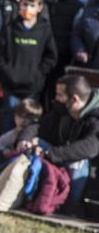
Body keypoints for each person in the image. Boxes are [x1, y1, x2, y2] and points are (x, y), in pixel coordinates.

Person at [17, 75, 99, 212]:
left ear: (74, 99)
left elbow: (90, 147)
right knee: (33, 143)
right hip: (59, 154)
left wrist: (51, 153)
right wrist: (24, 140)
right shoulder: (61, 109)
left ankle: (70, 206)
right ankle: (26, 193)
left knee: (78, 163)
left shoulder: (95, 119)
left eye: (60, 95)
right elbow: (40, 126)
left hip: (87, 168)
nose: (56, 98)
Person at [0, 0, 57, 133]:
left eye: (32, 5)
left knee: (28, 121)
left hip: (32, 86)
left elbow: (51, 56)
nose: (27, 9)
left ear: (40, 8)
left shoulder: (44, 28)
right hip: (11, 84)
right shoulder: (10, 27)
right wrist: (7, 71)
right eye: (24, 4)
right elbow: (0, 53)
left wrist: (38, 72)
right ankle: (4, 152)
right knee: (8, 118)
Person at [44, 0, 84, 93]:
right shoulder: (42, 0)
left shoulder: (76, 6)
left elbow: (76, 32)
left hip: (61, 56)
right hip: (40, 54)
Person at [0, 97, 42, 180]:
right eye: (20, 116)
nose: (23, 121)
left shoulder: (36, 134)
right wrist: (3, 151)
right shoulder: (14, 133)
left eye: (28, 119)